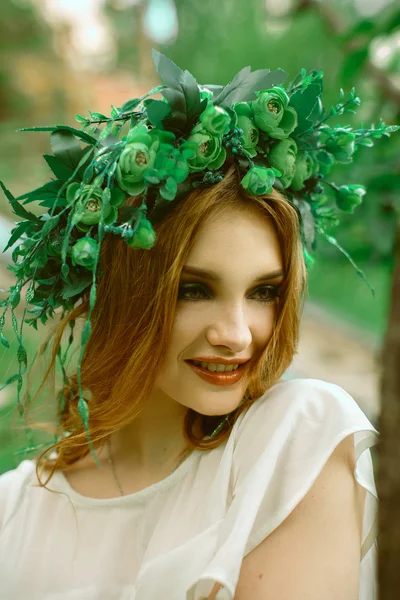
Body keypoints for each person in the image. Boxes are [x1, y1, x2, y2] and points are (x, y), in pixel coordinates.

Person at [0, 49, 393, 599]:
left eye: (264, 292)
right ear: (113, 289)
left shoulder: (294, 446)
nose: (236, 334)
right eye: (193, 290)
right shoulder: (13, 515)